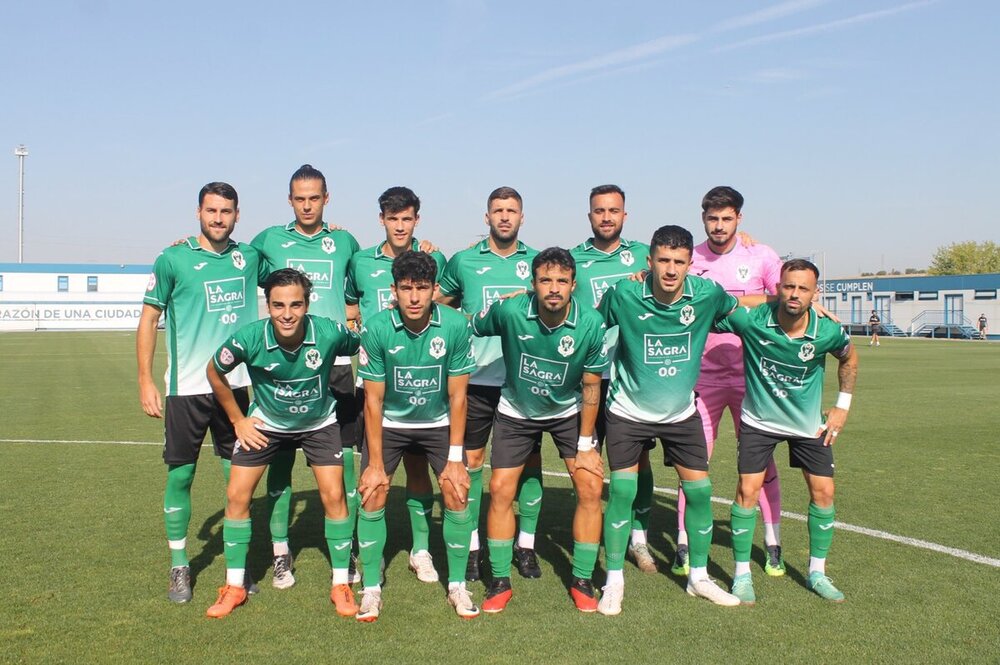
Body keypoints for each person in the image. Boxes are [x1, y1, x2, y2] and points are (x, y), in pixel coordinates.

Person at [596, 225, 767, 615]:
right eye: (663, 260)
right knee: (622, 491)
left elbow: (742, 319)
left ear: (691, 264)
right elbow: (591, 327)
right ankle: (613, 581)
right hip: (628, 410)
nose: (671, 269)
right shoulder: (624, 293)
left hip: (681, 412)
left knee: (701, 492)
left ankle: (699, 578)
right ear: (649, 262)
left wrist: (792, 312)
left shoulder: (706, 295)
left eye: (679, 262)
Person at [204, 268, 361, 618]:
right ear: (268, 305)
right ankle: (234, 586)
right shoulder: (249, 338)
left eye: (295, 305)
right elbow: (214, 371)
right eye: (277, 305)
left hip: (319, 423)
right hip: (267, 425)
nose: (286, 314)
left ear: (307, 304)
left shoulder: (329, 331)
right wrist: (238, 419)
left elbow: (359, 342)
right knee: (236, 495)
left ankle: (341, 585)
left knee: (334, 495)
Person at [137, 181, 266, 604]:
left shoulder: (249, 257)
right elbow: (149, 317)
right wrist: (145, 379)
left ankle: (237, 569)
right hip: (186, 389)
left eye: (226, 211)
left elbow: (292, 258)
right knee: (181, 474)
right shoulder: (173, 258)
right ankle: (179, 564)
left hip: (237, 387)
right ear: (198, 213)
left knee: (238, 480)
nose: (218, 218)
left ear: (237, 215)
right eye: (211, 210)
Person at [471, 247, 608, 613]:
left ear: (573, 285)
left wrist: (585, 444)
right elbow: (472, 324)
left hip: (567, 411)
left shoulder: (591, 323)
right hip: (516, 410)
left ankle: (581, 579)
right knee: (500, 489)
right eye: (545, 280)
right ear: (532, 284)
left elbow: (593, 385)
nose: (553, 288)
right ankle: (499, 580)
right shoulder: (512, 311)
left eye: (562, 281)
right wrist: (498, 301)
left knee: (591, 485)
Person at [717, 259, 859, 604]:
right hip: (759, 422)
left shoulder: (828, 331)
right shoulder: (752, 321)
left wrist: (842, 406)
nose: (794, 294)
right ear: (777, 287)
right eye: (789, 286)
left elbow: (850, 359)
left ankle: (817, 573)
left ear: (816, 293)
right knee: (747, 491)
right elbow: (716, 301)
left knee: (824, 493)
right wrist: (763, 300)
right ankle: (741, 576)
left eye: (803, 289)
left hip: (807, 426)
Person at [250, 165, 361, 588]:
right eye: (300, 198)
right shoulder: (269, 241)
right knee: (279, 464)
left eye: (314, 197)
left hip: (333, 363)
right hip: (286, 364)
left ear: (326, 199)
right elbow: (235, 262)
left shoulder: (345, 241)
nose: (307, 205)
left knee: (345, 461)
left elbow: (370, 277)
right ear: (290, 200)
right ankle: (281, 552)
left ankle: (346, 545)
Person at [669, 186, 787, 578]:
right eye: (712, 219)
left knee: (759, 462)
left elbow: (784, 299)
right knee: (693, 462)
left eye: (726, 218)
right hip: (700, 375)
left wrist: (733, 299)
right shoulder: (691, 257)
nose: (719, 226)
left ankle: (772, 541)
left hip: (753, 375)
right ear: (703, 219)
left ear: (739, 218)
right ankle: (684, 543)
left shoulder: (761, 255)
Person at [355, 251, 479, 621]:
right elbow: (373, 401)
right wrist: (375, 464)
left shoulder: (455, 326)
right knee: (373, 491)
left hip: (437, 421)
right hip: (390, 422)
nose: (413, 297)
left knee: (457, 492)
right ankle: (371, 589)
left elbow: (458, 396)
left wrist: (456, 459)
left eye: (421, 289)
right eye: (405, 289)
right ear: (393, 290)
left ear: (434, 290)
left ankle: (458, 586)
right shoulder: (377, 328)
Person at [437, 187, 542, 581]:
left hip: (523, 381)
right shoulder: (463, 260)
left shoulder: (536, 263)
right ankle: (475, 547)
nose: (504, 216)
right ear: (486, 217)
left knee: (528, 464)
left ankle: (526, 546)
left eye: (511, 210)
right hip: (477, 379)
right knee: (473, 463)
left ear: (521, 217)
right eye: (497, 210)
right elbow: (440, 302)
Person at [345, 187, 449, 585]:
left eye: (407, 219)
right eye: (393, 219)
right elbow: (351, 306)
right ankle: (363, 549)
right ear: (382, 220)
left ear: (417, 220)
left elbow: (448, 304)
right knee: (370, 470)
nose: (400, 226)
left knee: (418, 468)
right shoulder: (359, 261)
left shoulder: (434, 258)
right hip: (374, 382)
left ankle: (420, 551)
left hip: (421, 381)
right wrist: (365, 335)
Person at [569, 185, 656, 574]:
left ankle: (639, 538)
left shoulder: (643, 256)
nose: (607, 217)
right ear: (589, 216)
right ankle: (585, 532)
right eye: (599, 211)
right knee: (584, 457)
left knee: (638, 459)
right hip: (586, 375)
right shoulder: (573, 259)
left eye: (614, 210)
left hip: (632, 377)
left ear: (625, 215)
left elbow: (685, 275)